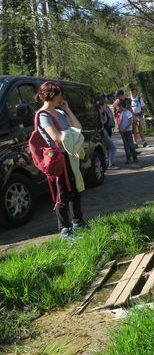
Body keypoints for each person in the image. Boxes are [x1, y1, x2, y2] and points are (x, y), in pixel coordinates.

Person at [35, 81, 86, 238]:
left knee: (75, 190)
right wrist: (71, 134)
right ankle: (64, 229)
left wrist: (67, 109)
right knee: (63, 193)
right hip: (58, 159)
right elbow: (56, 138)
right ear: (51, 96)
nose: (61, 97)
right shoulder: (43, 116)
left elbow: (78, 128)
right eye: (59, 94)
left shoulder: (61, 113)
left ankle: (78, 223)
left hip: (70, 155)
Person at [98, 99, 118, 169]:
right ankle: (111, 164)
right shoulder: (99, 113)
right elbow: (102, 122)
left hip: (106, 131)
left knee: (107, 148)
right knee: (112, 148)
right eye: (104, 105)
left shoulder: (104, 111)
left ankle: (108, 163)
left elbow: (110, 119)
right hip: (102, 132)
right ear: (101, 106)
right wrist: (101, 113)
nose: (105, 106)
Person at [119, 99, 138, 164]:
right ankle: (128, 158)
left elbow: (130, 123)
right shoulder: (122, 113)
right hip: (123, 132)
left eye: (119, 107)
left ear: (122, 106)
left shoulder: (128, 113)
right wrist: (119, 128)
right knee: (126, 146)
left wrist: (124, 129)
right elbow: (121, 122)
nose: (119, 108)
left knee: (131, 145)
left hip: (128, 131)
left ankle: (134, 157)